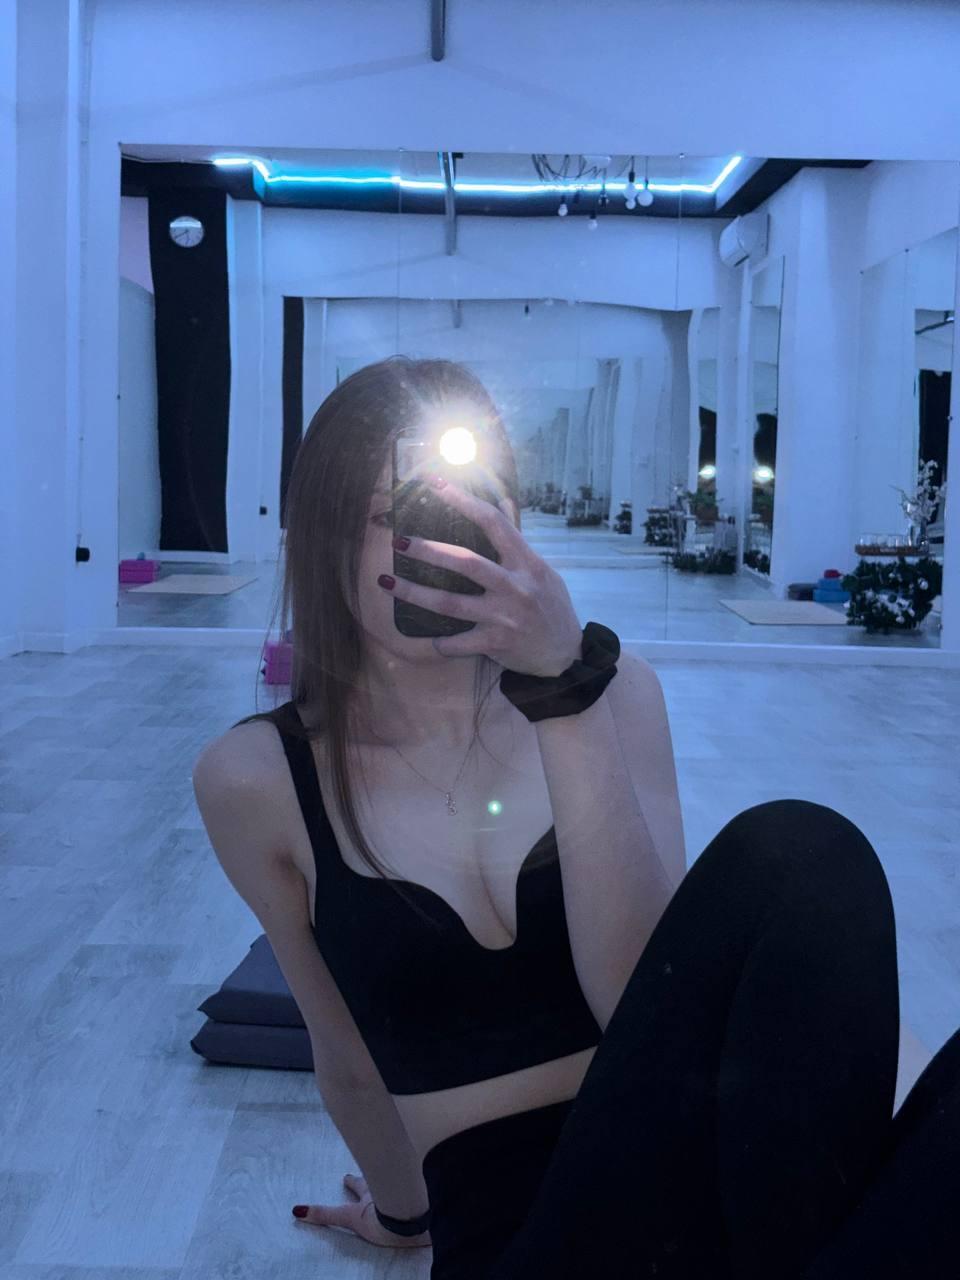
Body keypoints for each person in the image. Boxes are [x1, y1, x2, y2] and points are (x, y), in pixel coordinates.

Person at [194, 357, 960, 1279]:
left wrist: (563, 692)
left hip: (711, 1178)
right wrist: (401, 1219)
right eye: (401, 518)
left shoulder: (614, 693)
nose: (450, 546)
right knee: (800, 850)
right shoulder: (257, 778)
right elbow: (346, 1055)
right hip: (528, 1241)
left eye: (479, 508)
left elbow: (645, 999)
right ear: (325, 538)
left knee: (803, 854)